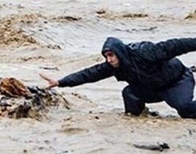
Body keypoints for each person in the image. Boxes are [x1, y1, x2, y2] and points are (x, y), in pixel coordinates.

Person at [40, 37, 196, 119]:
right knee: (129, 92)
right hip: (152, 89)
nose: (109, 60)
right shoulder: (113, 66)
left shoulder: (145, 51)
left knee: (184, 110)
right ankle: (139, 117)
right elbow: (88, 74)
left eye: (111, 55)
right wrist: (60, 82)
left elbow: (176, 45)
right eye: (106, 56)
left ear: (119, 52)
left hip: (177, 82)